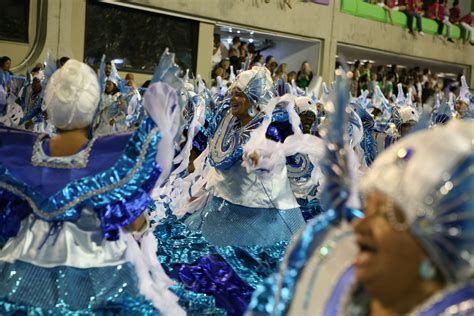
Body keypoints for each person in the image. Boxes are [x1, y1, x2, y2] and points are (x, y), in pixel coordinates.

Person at [0, 59, 185, 315]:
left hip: (28, 268)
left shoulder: (20, 152)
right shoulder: (112, 158)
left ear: (50, 103)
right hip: (100, 272)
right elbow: (133, 220)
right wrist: (144, 234)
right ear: (94, 105)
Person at [248, 119, 473, 315]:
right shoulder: (326, 266)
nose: (360, 225)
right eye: (367, 210)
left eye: (385, 215)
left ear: (437, 246)